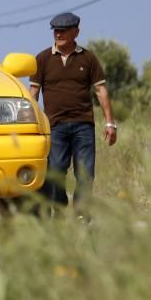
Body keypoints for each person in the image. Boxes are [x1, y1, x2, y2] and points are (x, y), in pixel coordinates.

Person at [30, 12, 117, 212]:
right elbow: (33, 93)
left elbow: (101, 91)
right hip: (55, 126)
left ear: (75, 32)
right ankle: (59, 210)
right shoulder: (42, 59)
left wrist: (110, 123)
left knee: (86, 174)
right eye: (55, 31)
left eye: (63, 31)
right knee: (57, 173)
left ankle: (81, 214)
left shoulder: (88, 59)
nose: (58, 35)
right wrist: (30, 123)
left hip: (83, 126)